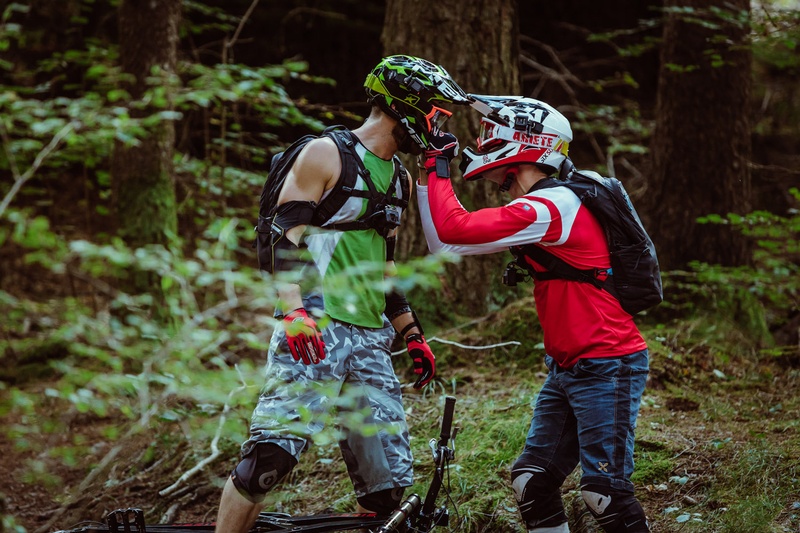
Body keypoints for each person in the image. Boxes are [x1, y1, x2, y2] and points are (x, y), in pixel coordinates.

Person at [213, 55, 471, 533]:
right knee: (267, 461)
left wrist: (411, 334)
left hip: (371, 339)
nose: (439, 125)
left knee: (386, 490)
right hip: (315, 326)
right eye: (435, 112)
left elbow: (384, 267)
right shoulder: (326, 153)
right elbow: (282, 238)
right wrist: (294, 312)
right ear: (405, 106)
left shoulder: (399, 177)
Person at [416, 95, 651, 533]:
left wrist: (438, 165)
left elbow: (454, 228)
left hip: (607, 362)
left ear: (524, 141)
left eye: (491, 135)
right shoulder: (546, 205)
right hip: (568, 366)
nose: (482, 144)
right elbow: (444, 244)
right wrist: (428, 176)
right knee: (533, 481)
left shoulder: (553, 206)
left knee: (605, 494)